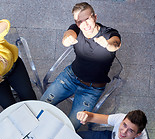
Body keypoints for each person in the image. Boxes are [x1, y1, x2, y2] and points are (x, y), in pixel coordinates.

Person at [40, 2, 121, 130]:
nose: (85, 25)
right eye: (79, 21)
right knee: (40, 107)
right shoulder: (76, 28)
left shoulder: (108, 33)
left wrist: (107, 44)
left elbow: (115, 43)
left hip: (91, 90)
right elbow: (68, 34)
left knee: (70, 129)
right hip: (70, 78)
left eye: (87, 19)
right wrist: (67, 39)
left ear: (95, 17)